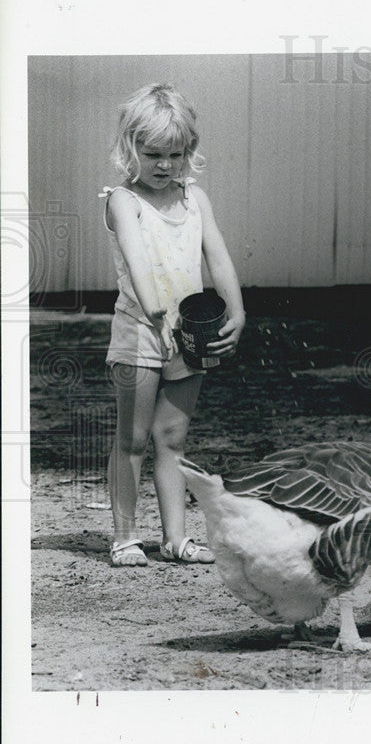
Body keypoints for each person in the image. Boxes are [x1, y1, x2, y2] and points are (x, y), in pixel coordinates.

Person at [102, 83, 245, 567]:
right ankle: (125, 537)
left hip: (188, 336)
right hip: (139, 333)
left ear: (190, 152)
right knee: (133, 438)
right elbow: (140, 265)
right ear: (131, 149)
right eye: (153, 153)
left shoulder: (194, 200)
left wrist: (238, 312)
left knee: (173, 439)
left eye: (175, 154)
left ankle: (176, 539)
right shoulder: (124, 201)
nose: (165, 165)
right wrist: (158, 316)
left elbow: (219, 260)